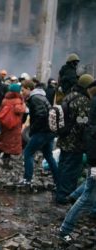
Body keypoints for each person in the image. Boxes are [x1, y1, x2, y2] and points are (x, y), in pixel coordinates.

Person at [59, 80, 96, 243]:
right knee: (88, 193)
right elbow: (87, 128)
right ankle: (65, 227)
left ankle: (69, 195)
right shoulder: (85, 102)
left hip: (68, 141)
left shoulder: (70, 96)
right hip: (78, 145)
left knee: (66, 169)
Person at [55, 74, 94, 204]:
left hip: (64, 138)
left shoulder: (69, 95)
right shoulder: (83, 100)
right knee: (71, 170)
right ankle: (64, 196)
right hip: (74, 142)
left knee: (63, 166)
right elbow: (81, 121)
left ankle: (59, 193)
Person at [19, 80, 58, 186]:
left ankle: (27, 179)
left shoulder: (35, 98)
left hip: (42, 131)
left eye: (22, 90)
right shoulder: (40, 96)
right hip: (49, 131)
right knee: (48, 155)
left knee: (28, 153)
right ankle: (58, 180)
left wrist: (32, 130)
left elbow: (41, 116)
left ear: (28, 88)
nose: (21, 93)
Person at [0, 83, 26, 168]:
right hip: (14, 126)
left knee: (3, 140)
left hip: (5, 124)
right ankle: (6, 162)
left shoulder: (5, 99)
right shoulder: (18, 101)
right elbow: (19, 110)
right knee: (10, 143)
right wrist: (23, 104)